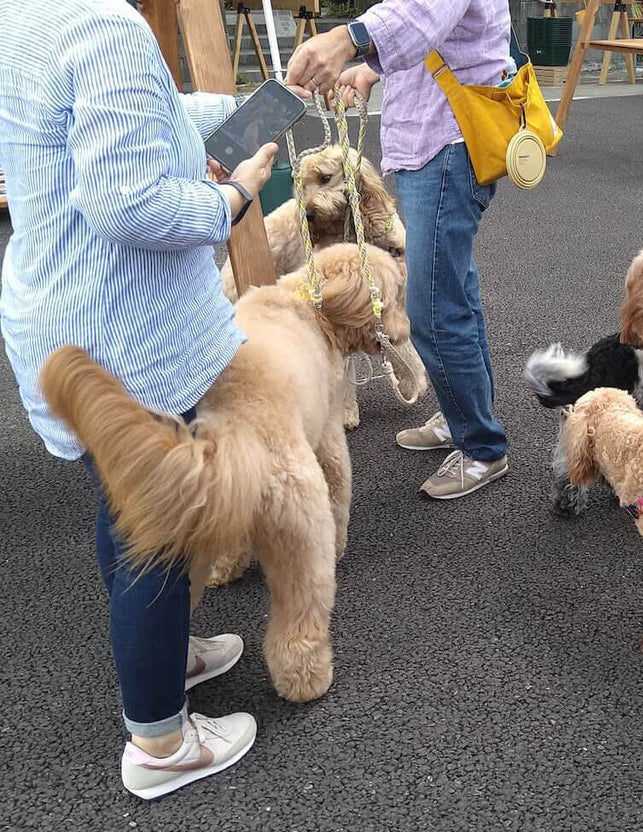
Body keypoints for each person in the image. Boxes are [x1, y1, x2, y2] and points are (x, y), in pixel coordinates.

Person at [0, 0, 278, 799]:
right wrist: (234, 199)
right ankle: (160, 741)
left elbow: (127, 116)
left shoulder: (24, 13)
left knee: (125, 510)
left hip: (60, 319)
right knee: (158, 529)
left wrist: (241, 105)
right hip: (124, 338)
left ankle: (163, 657)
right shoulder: (104, 24)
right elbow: (131, 205)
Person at [286, 1, 510, 501]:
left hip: (447, 145)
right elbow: (432, 33)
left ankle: (482, 446)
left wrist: (347, 41)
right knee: (455, 295)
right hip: (434, 143)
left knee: (433, 309)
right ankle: (466, 420)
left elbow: (422, 13)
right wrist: (369, 70)